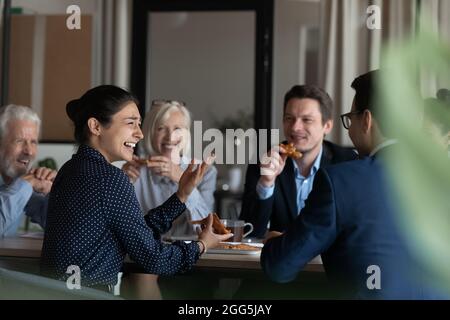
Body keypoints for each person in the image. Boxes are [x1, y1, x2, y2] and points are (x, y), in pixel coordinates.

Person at [261, 70, 444, 299]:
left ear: (366, 120)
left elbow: (280, 267)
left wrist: (273, 243)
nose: (349, 128)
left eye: (350, 118)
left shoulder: (340, 180)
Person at [40, 85, 232, 293]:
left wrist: (182, 195)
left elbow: (136, 232)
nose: (140, 134)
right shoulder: (110, 178)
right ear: (95, 126)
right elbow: (155, 259)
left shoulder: (70, 169)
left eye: (139, 124)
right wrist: (201, 245)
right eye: (131, 123)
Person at [240, 85, 357, 238]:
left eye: (306, 120)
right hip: (280, 259)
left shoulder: (347, 163)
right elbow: (248, 233)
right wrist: (266, 183)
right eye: (289, 118)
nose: (295, 127)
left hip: (329, 261)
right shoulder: (264, 162)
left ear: (327, 126)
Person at [122, 100, 217, 239]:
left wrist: (181, 179)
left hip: (193, 255)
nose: (170, 137)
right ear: (149, 132)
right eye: (161, 128)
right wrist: (123, 183)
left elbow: (206, 227)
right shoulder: (133, 170)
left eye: (178, 128)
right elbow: (124, 227)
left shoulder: (206, 172)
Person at [0, 104, 56, 237]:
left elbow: (60, 227)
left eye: (33, 142)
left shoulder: (14, 180)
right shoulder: (22, 186)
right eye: (19, 141)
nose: (29, 151)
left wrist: (53, 192)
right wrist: (26, 184)